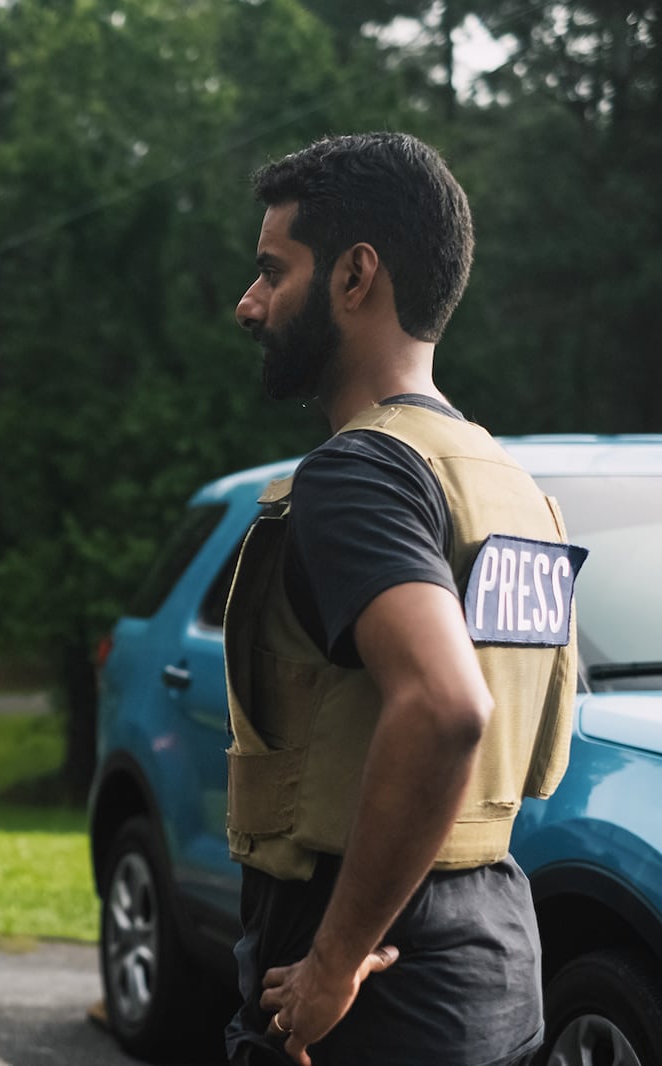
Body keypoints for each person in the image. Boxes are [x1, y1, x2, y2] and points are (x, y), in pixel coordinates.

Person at [223, 132, 583, 1066]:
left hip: (377, 995)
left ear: (355, 278)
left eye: (273, 271)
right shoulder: (510, 487)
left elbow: (446, 705)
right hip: (495, 964)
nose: (248, 304)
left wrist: (332, 964)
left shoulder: (358, 474)